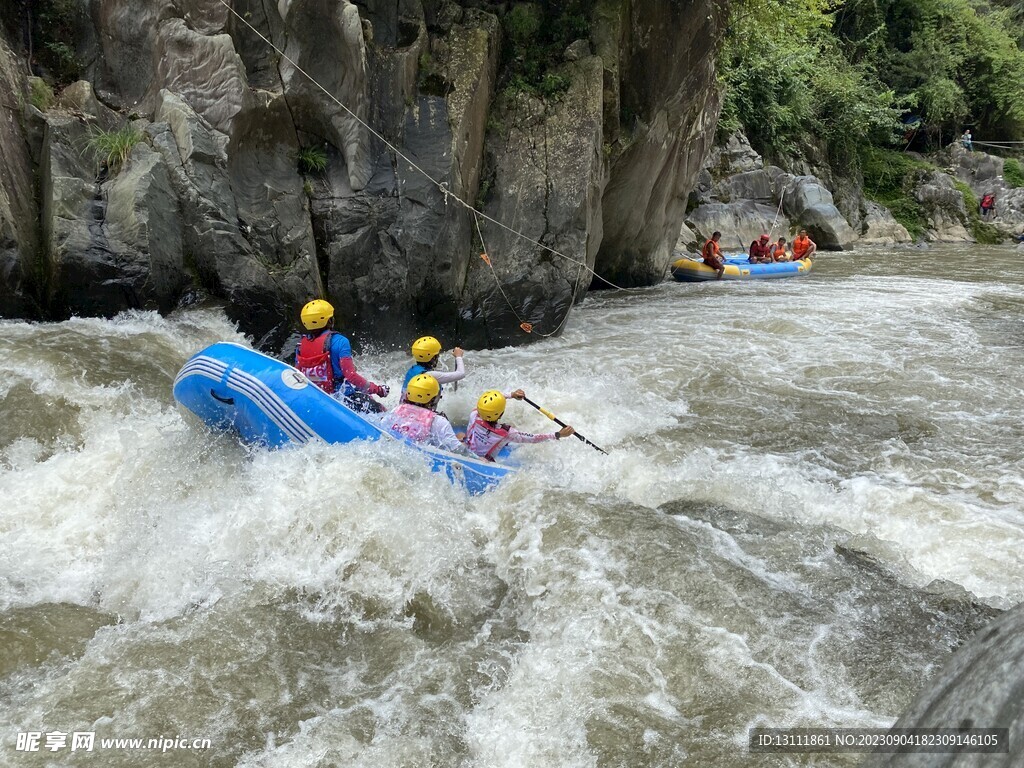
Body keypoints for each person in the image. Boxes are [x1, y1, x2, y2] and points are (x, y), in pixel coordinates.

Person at [294, 299, 389, 413]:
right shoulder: (340, 341)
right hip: (342, 397)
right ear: (329, 321)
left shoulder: (301, 345)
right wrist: (377, 389)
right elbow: (351, 376)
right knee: (382, 411)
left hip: (316, 398)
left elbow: (298, 374)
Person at [465, 389, 574, 461]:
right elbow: (534, 438)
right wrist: (558, 434)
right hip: (483, 460)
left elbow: (487, 403)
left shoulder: (474, 414)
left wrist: (511, 395)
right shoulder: (507, 433)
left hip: (467, 449)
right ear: (501, 413)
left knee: (461, 436)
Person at [380, 374, 465, 453]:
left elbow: (382, 427)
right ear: (434, 399)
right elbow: (458, 451)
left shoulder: (397, 410)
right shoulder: (438, 421)